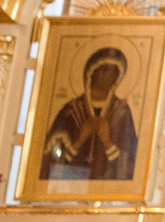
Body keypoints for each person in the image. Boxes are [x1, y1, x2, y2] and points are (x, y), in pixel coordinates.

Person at [42, 47, 142, 182]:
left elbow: (131, 162)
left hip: (107, 188)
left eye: (114, 71)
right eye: (104, 69)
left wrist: (107, 143)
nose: (108, 75)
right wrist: (79, 140)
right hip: (69, 185)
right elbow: (52, 161)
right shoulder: (71, 110)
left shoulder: (122, 111)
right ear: (92, 72)